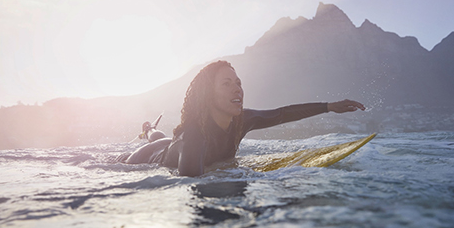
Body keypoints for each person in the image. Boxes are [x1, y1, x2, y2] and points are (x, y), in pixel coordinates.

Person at [125, 60, 365, 176]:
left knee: (162, 136)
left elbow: (283, 113)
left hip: (170, 143)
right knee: (158, 139)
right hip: (149, 158)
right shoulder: (195, 138)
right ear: (208, 95)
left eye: (238, 83)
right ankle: (148, 130)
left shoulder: (242, 122)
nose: (237, 89)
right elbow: (191, 185)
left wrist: (329, 106)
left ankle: (149, 129)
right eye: (227, 84)